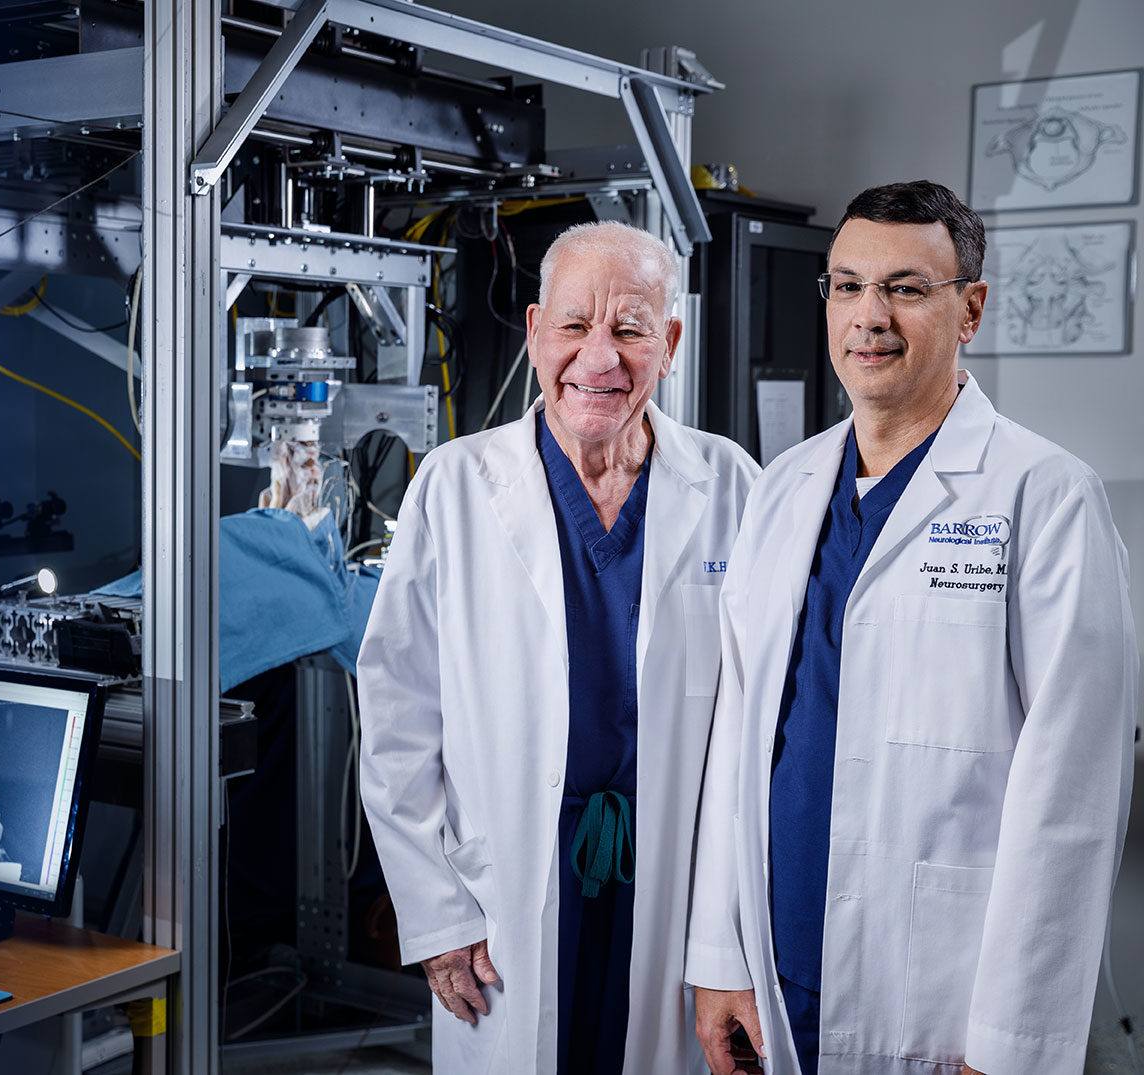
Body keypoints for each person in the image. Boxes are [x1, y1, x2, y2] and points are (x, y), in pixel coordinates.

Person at [685, 180, 1138, 1075]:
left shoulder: (1043, 496)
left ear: (970, 308)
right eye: (847, 286)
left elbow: (1072, 791)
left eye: (904, 287)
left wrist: (1011, 1045)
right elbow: (735, 734)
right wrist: (716, 958)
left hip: (942, 985)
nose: (869, 316)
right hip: (780, 964)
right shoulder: (785, 486)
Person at [358, 220, 758, 1073]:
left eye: (629, 327)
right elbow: (395, 712)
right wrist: (437, 915)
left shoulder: (731, 484)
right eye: (575, 326)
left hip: (676, 880)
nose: (598, 358)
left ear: (672, 341)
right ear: (536, 330)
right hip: (503, 880)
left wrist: (733, 933)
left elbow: (761, 724)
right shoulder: (457, 485)